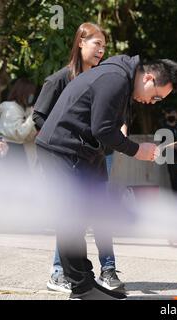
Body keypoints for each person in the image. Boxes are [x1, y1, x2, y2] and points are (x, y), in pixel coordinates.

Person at [35, 54, 177, 300]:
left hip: (81, 151)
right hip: (61, 149)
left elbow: (103, 126)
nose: (153, 102)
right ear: (148, 78)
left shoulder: (120, 78)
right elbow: (101, 129)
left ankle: (86, 282)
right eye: (156, 96)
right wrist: (136, 150)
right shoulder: (115, 78)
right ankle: (81, 288)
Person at [32, 22, 126, 294]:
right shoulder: (59, 79)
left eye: (105, 47)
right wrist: (64, 136)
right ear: (80, 42)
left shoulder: (104, 78)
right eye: (97, 43)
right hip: (66, 157)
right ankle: (60, 272)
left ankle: (107, 270)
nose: (101, 51)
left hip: (96, 156)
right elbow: (39, 115)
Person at [0, 78, 37, 170]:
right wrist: (32, 116)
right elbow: (19, 134)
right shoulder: (10, 107)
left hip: (22, 153)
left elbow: (28, 135)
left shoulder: (24, 108)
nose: (32, 96)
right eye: (30, 93)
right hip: (12, 152)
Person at [161, 107, 177, 196]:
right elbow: (165, 143)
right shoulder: (164, 128)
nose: (171, 115)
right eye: (169, 113)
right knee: (175, 180)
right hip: (172, 159)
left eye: (173, 112)